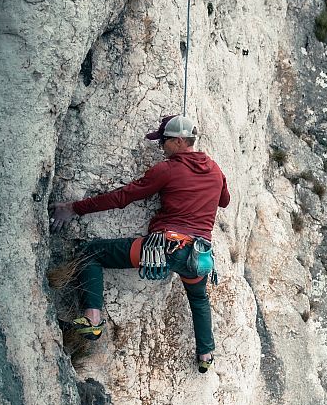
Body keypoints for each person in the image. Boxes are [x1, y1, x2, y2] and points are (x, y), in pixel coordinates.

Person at [51, 114, 230, 373]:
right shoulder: (215, 171)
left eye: (164, 141)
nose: (161, 147)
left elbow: (124, 197)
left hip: (165, 249)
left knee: (90, 254)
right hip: (199, 256)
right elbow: (224, 201)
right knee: (199, 299)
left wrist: (74, 208)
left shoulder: (167, 170)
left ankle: (92, 319)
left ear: (179, 142)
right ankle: (206, 354)